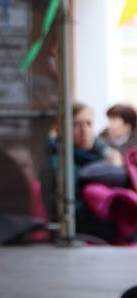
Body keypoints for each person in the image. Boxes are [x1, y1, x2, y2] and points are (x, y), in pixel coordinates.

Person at [44, 102, 119, 242]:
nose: (84, 131)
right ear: (61, 129)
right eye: (75, 125)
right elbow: (68, 213)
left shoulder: (106, 155)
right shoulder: (58, 163)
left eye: (89, 124)